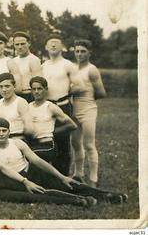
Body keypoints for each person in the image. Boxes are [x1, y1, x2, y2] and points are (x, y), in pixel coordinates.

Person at [0, 122, 97, 206]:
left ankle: (87, 199)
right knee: (24, 198)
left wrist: (25, 181)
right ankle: (78, 201)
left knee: (35, 191)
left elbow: (2, 167)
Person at [0, 118, 127, 204]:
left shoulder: (18, 143)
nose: (1, 134)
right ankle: (82, 200)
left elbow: (37, 161)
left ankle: (108, 195)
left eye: (4, 131)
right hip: (14, 180)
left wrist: (61, 176)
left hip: (31, 173)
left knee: (66, 184)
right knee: (45, 193)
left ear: (9, 132)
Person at [42, 33, 84, 175]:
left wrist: (66, 94)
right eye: (51, 43)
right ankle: (49, 174)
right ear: (46, 47)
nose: (53, 45)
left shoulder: (68, 65)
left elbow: (79, 85)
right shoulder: (43, 65)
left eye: (56, 42)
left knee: (63, 141)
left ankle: (64, 175)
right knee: (47, 138)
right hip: (46, 107)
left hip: (63, 105)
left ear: (62, 47)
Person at [70, 39, 107, 187]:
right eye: (77, 51)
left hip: (88, 110)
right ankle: (78, 174)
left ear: (89, 53)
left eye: (83, 51)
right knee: (75, 144)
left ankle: (93, 178)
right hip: (73, 110)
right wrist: (74, 91)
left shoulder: (92, 69)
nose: (79, 54)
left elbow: (102, 93)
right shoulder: (71, 68)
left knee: (89, 144)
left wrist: (87, 92)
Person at [28, 76, 77, 166]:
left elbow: (72, 125)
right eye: (33, 89)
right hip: (32, 143)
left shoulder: (50, 107)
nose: (36, 91)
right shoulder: (28, 106)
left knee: (29, 156)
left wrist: (53, 132)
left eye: (39, 89)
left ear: (46, 89)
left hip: (47, 144)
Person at [0, 73, 34, 141]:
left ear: (14, 86)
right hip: (2, 141)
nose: (4, 90)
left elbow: (29, 128)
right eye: (1, 87)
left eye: (7, 86)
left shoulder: (21, 102)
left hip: (18, 138)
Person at [12, 31, 42, 102]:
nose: (20, 47)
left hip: (30, 95)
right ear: (14, 45)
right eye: (17, 44)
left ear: (29, 44)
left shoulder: (34, 60)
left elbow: (38, 82)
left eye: (22, 44)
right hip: (16, 96)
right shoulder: (13, 61)